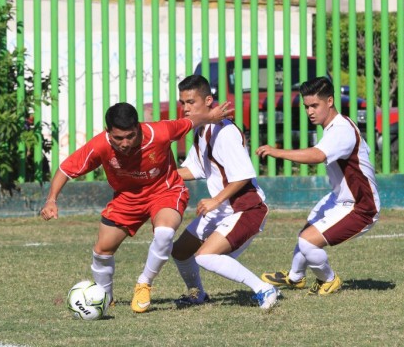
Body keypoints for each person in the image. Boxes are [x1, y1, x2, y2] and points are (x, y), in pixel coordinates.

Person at [40, 100, 234, 313]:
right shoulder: (100, 145)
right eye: (118, 138)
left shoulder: (159, 132)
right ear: (108, 132)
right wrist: (51, 200)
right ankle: (105, 298)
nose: (125, 143)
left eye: (130, 136)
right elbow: (66, 169)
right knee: (102, 251)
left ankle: (144, 283)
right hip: (127, 199)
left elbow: (188, 121)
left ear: (139, 128)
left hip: (165, 191)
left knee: (164, 233)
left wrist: (211, 117)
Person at [256, 76, 380, 296]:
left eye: (315, 105)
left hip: (361, 206)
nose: (310, 111)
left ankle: (329, 280)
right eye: (306, 107)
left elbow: (317, 155)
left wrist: (277, 151)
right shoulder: (337, 125)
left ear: (330, 101)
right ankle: (295, 278)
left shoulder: (341, 130)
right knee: (307, 231)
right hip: (340, 198)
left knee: (307, 243)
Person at [170, 74, 280, 310]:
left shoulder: (225, 131)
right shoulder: (201, 130)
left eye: (191, 102)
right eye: (183, 103)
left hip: (245, 209)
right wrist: (158, 178)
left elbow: (243, 175)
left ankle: (264, 288)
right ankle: (197, 294)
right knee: (180, 251)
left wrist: (215, 200)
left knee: (205, 257)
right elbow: (194, 168)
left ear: (208, 100)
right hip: (222, 208)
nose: (186, 109)